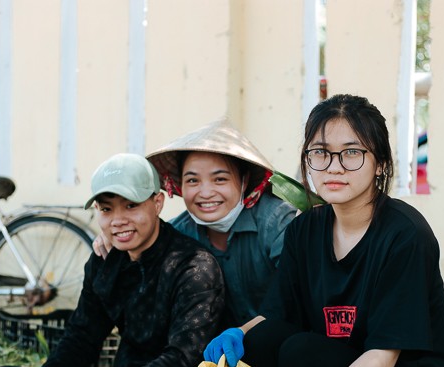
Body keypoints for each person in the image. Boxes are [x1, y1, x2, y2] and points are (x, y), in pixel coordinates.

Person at [203, 94, 444, 367]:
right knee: (265, 341)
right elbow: (274, 315)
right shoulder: (306, 230)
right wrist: (236, 333)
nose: (335, 167)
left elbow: (382, 356)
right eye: (321, 153)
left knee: (303, 352)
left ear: (379, 163)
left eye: (352, 153)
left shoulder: (404, 235)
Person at [0, 153, 225, 367]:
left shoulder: (193, 266)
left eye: (131, 206)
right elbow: (80, 339)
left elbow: (181, 363)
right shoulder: (104, 262)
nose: (118, 220)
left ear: (157, 203)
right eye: (106, 209)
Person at [96, 120, 297, 326]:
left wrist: (244, 333)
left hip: (279, 343)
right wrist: (117, 236)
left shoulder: (277, 223)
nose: (206, 193)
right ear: (179, 185)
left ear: (244, 181)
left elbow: (295, 297)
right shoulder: (178, 233)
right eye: (193, 180)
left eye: (220, 179)